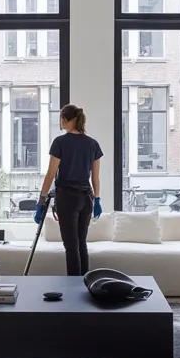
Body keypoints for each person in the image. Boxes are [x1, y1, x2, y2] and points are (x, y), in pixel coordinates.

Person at [36, 104, 103, 276]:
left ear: (66, 120)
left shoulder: (60, 142)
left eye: (62, 119)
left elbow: (51, 174)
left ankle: (73, 290)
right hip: (87, 198)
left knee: (71, 246)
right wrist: (97, 200)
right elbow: (95, 178)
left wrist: (41, 201)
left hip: (67, 198)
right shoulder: (93, 144)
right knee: (81, 244)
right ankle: (86, 284)